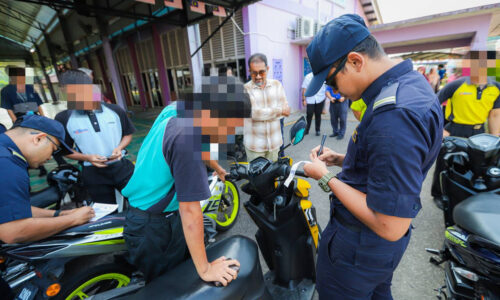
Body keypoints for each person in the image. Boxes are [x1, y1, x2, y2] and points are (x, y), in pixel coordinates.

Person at [302, 14, 443, 299]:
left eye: (331, 81)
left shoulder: (394, 116)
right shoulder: (409, 84)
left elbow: (390, 224)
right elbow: (389, 161)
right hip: (375, 252)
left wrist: (324, 176)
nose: (333, 91)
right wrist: (341, 159)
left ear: (355, 61)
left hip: (360, 248)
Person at [121, 76, 250, 285]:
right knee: (170, 287)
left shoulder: (179, 109)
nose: (228, 135)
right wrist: (206, 268)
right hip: (155, 227)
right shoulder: (187, 139)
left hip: (153, 215)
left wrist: (217, 168)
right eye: (228, 127)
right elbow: (190, 210)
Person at [0, 114, 95, 245]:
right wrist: (73, 219)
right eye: (54, 150)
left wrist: (60, 215)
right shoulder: (7, 164)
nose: (50, 157)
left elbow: (13, 209)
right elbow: (14, 231)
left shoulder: (5, 151)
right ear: (38, 139)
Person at [55, 70, 135, 204]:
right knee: (105, 212)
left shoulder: (115, 110)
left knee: (140, 203)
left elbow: (128, 134)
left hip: (122, 168)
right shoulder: (63, 118)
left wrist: (119, 148)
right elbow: (65, 150)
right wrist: (87, 157)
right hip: (93, 173)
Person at [431, 50, 500, 202]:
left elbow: (495, 114)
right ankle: (438, 194)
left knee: (477, 167)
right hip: (454, 130)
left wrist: (495, 139)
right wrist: (440, 129)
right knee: (445, 163)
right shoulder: (457, 84)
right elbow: (432, 104)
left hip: (479, 132)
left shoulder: (496, 88)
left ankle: (466, 195)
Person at [1, 66, 48, 177]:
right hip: (21, 120)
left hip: (36, 118)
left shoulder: (30, 88)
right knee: (27, 145)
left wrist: (43, 118)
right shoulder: (6, 91)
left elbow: (38, 105)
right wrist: (16, 123)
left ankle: (44, 166)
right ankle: (31, 168)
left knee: (45, 140)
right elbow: (9, 109)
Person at [244, 53, 290, 162]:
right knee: (257, 179)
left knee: (273, 177)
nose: (258, 76)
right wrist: (278, 111)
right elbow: (254, 113)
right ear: (249, 71)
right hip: (255, 147)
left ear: (267, 69)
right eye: (254, 73)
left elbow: (286, 110)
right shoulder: (244, 89)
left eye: (261, 72)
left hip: (274, 145)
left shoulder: (277, 85)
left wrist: (264, 114)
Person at [302, 72, 326, 136]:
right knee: (309, 115)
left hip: (320, 98)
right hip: (310, 99)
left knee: (318, 115)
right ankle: (306, 130)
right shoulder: (308, 76)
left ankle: (317, 130)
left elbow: (325, 89)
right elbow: (304, 89)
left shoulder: (322, 76)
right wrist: (304, 99)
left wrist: (325, 106)